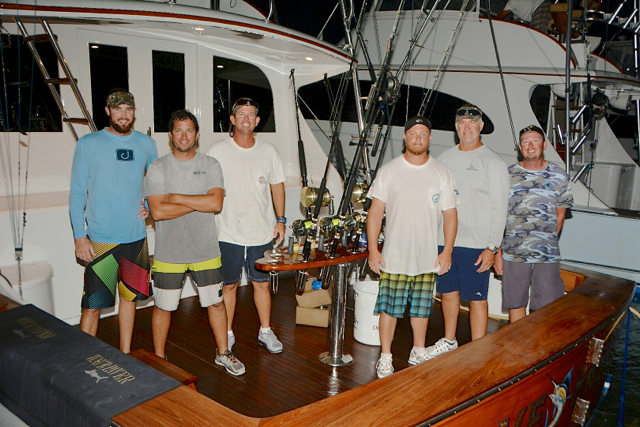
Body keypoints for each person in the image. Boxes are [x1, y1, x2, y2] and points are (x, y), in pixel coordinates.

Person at [144, 110, 245, 375]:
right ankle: (158, 359)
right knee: (163, 307)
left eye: (189, 130)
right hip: (168, 252)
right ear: (170, 135)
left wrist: (176, 197)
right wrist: (197, 202)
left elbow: (216, 203)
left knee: (215, 303)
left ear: (197, 135)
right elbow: (158, 212)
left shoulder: (211, 165)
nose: (184, 135)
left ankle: (223, 353)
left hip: (206, 250)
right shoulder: (158, 167)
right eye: (178, 130)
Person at [367, 116, 459, 379]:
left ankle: (418, 350)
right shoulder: (388, 170)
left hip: (427, 256)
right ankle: (386, 357)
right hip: (394, 255)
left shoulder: (442, 172)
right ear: (405, 138)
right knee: (389, 308)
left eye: (423, 134)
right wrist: (374, 250)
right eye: (413, 133)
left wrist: (447, 250)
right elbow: (375, 213)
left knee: (421, 308)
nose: (418, 138)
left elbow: (450, 215)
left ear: (430, 139)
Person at [69, 89, 157, 354]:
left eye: (128, 109)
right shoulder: (88, 144)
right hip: (101, 241)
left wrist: (151, 208)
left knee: (129, 300)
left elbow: (156, 183)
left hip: (135, 239)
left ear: (134, 112)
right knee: (93, 306)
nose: (123, 115)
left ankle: (126, 355)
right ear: (108, 112)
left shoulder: (146, 144)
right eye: (118, 109)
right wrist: (78, 236)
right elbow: (76, 192)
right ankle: (86, 362)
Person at [426, 105, 509, 359]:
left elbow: (500, 209)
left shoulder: (493, 162)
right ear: (456, 127)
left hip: (477, 244)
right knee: (448, 293)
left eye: (472, 123)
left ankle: (477, 350)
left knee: (476, 298)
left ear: (481, 126)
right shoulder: (445, 159)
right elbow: (436, 200)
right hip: (446, 241)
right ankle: (449, 340)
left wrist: (493, 248)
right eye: (461, 123)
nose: (467, 127)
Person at [206, 98, 285, 354]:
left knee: (261, 284)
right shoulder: (217, 150)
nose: (246, 119)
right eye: (241, 114)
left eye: (251, 115)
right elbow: (206, 188)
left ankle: (265, 331)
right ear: (232, 119)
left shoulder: (269, 151)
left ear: (257, 121)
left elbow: (277, 185)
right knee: (228, 285)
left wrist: (281, 220)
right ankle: (227, 333)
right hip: (226, 231)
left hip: (261, 231)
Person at [494, 125, 573, 323]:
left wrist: (546, 243)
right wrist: (498, 253)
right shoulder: (506, 175)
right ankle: (518, 348)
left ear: (544, 145)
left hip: (546, 255)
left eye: (535, 140)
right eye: (525, 142)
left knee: (546, 307)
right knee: (515, 303)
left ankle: (539, 350)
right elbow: (497, 218)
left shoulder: (560, 176)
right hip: (513, 253)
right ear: (520, 147)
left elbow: (560, 217)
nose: (530, 146)